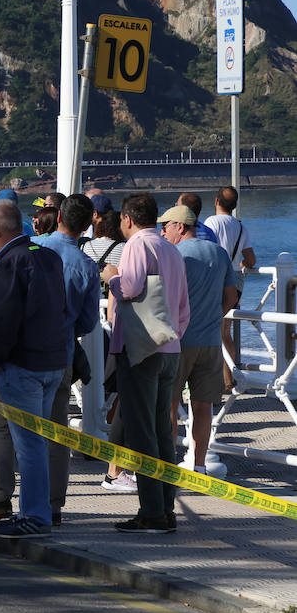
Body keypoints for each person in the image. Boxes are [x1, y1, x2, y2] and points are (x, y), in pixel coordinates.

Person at [0, 199, 68, 538]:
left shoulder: (10, 262)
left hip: (21, 365)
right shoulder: (47, 256)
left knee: (28, 445)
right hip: (52, 361)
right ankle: (40, 509)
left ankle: (36, 515)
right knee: (38, 443)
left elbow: (0, 320)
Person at [108, 193, 190, 533]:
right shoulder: (171, 248)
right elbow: (184, 306)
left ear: (127, 219)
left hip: (142, 350)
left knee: (142, 433)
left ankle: (152, 511)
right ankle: (165, 507)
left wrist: (110, 276)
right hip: (170, 346)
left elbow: (129, 287)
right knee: (162, 433)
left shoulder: (138, 245)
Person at [29, 194, 101, 525]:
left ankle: (17, 499)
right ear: (88, 226)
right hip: (62, 354)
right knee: (57, 430)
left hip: (25, 351)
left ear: (57, 216)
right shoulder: (86, 265)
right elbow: (88, 323)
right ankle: (54, 502)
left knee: (19, 429)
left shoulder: (31, 248)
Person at [160, 204, 238, 476]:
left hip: (178, 341)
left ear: (180, 227)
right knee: (203, 406)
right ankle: (200, 465)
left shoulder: (174, 254)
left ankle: (168, 465)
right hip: (210, 341)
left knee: (170, 403)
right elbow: (231, 297)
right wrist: (213, 316)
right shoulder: (219, 252)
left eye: (166, 226)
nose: (163, 231)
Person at [204, 186, 255, 389]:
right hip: (235, 283)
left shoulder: (211, 223)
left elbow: (206, 251)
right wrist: (242, 264)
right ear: (234, 206)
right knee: (225, 331)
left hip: (217, 280)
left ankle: (223, 380)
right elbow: (251, 258)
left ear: (216, 201)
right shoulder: (241, 227)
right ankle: (229, 377)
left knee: (215, 331)